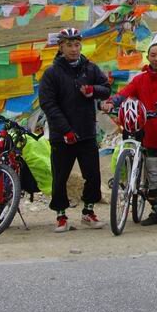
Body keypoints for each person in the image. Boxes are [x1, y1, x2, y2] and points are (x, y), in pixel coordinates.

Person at [102, 40, 157, 226]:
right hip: (148, 135)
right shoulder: (140, 79)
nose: (156, 58)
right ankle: (156, 212)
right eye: (153, 55)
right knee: (154, 174)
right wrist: (112, 102)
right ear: (148, 57)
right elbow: (125, 93)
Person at [38, 27, 112, 232]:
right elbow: (48, 104)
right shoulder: (52, 73)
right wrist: (65, 130)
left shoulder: (90, 68)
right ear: (61, 47)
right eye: (69, 45)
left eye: (77, 44)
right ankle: (60, 215)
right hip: (62, 135)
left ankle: (88, 212)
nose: (73, 49)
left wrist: (92, 91)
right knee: (60, 176)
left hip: (87, 131)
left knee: (93, 175)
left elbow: (107, 89)